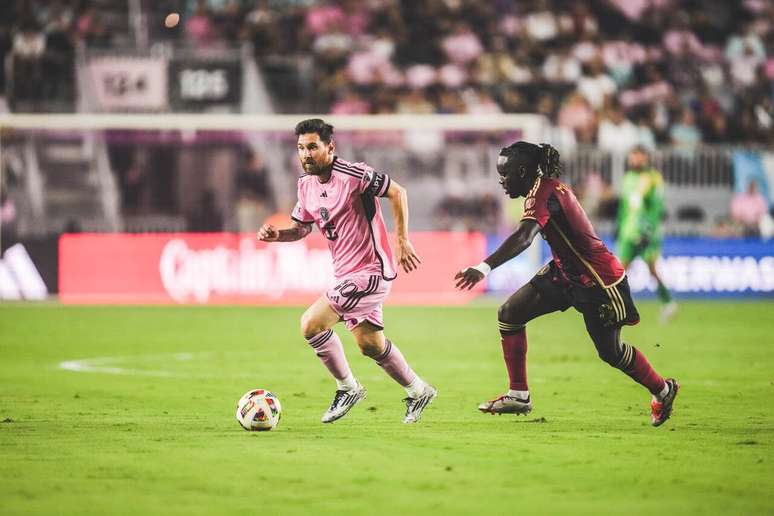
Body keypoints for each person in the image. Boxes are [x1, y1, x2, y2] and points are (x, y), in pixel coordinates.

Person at [454, 141, 678, 427]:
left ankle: (663, 390)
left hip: (599, 281)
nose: (501, 181)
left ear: (523, 172)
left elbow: (524, 237)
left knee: (611, 352)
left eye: (505, 174)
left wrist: (483, 267)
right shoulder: (543, 188)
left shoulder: (543, 193)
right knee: (510, 314)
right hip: (565, 273)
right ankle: (519, 394)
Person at [257, 119, 437, 424]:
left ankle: (348, 388)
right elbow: (302, 229)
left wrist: (402, 240)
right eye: (301, 148)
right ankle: (419, 390)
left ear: (330, 147)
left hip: (372, 272)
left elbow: (398, 192)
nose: (306, 154)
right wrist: (280, 236)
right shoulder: (305, 184)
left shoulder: (355, 175)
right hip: (345, 275)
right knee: (370, 345)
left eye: (313, 146)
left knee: (311, 323)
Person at [617, 146, 677, 323]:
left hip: (646, 234)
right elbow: (624, 206)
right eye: (632, 156)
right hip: (628, 233)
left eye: (638, 156)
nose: (634, 160)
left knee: (651, 269)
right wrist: (618, 226)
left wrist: (648, 231)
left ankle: (668, 302)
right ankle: (621, 308)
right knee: (619, 271)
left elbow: (657, 207)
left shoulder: (653, 178)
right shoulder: (627, 178)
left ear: (645, 158)